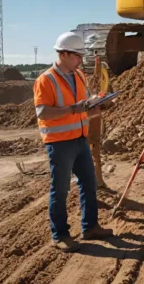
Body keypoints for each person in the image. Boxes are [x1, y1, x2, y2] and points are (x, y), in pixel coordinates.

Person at [33, 32, 114, 252]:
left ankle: (90, 226)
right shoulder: (45, 79)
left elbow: (82, 105)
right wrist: (73, 109)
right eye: (77, 55)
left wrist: (95, 106)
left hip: (79, 138)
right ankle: (59, 234)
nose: (80, 60)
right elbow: (42, 112)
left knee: (88, 183)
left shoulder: (78, 75)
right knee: (60, 190)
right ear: (64, 54)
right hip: (59, 143)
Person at [86, 55, 110, 189]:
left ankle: (98, 181)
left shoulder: (91, 84)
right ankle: (94, 183)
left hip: (93, 122)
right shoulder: (80, 83)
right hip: (84, 125)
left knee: (95, 153)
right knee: (90, 155)